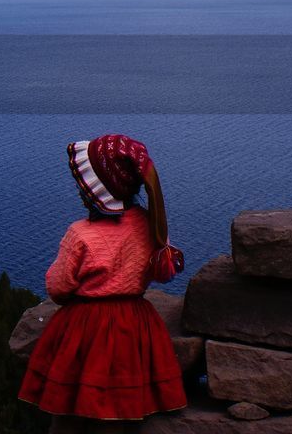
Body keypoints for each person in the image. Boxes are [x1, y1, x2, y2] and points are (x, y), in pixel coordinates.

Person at [18, 134, 187, 430]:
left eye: (83, 183)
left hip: (86, 329)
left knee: (71, 414)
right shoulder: (152, 225)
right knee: (126, 408)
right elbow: (163, 272)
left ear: (96, 191)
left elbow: (58, 289)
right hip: (136, 326)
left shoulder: (80, 234)